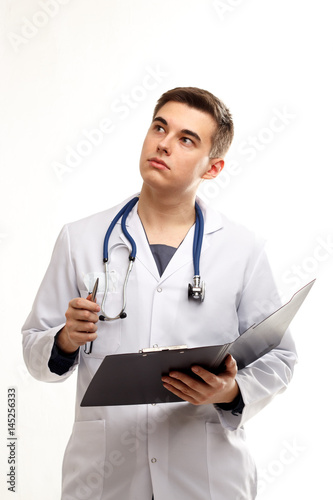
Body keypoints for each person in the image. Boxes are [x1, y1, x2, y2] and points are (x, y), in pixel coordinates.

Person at [22, 87, 297, 500]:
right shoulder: (80, 239)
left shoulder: (243, 250)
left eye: (186, 139)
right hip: (105, 476)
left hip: (205, 477)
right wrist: (64, 340)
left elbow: (279, 357)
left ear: (213, 167)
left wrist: (229, 392)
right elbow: (33, 347)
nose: (164, 144)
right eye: (159, 128)